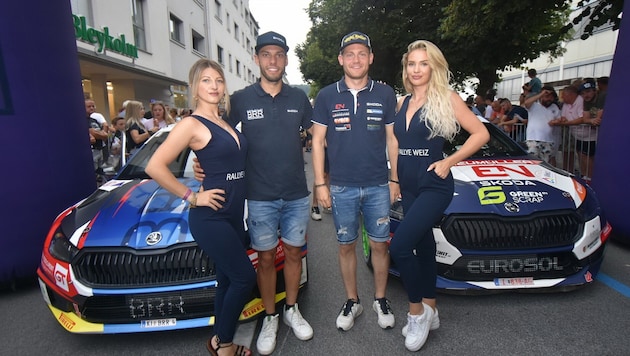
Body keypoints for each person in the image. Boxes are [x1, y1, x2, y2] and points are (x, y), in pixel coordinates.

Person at [194, 31, 314, 355]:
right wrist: (200, 163)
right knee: (263, 259)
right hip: (258, 196)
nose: (272, 60)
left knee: (292, 254)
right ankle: (271, 317)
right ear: (256, 59)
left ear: (286, 59)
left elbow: (319, 136)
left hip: (296, 194)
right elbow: (215, 136)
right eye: (266, 54)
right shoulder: (241, 100)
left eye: (278, 54)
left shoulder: (300, 100)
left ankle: (291, 309)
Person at [146, 59, 256, 356]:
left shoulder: (224, 121)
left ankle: (219, 342)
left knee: (226, 279)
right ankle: (225, 342)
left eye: (219, 80)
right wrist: (192, 196)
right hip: (210, 216)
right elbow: (155, 166)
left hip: (233, 213)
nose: (214, 86)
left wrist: (203, 165)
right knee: (245, 278)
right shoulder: (190, 124)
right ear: (194, 87)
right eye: (206, 80)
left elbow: (222, 160)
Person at [388, 40, 489, 352]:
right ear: (405, 69)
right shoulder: (401, 101)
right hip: (409, 183)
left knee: (401, 246)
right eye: (411, 64)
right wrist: (394, 178)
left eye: (423, 63)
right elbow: (394, 140)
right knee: (423, 245)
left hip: (434, 183)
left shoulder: (446, 98)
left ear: (434, 67)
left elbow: (481, 133)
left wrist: (449, 161)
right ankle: (432, 308)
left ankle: (417, 311)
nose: (416, 69)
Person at [311, 31, 397, 332]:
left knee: (380, 245)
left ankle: (380, 299)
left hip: (377, 185)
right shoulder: (326, 95)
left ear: (370, 58)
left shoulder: (386, 94)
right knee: (345, 246)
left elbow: (392, 138)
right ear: (341, 60)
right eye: (350, 54)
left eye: (362, 53)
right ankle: (352, 300)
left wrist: (394, 179)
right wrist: (320, 184)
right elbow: (318, 140)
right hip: (342, 187)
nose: (356, 59)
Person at [522, 85, 561, 163]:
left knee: (546, 163)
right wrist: (541, 94)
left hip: (548, 140)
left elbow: (559, 119)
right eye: (547, 96)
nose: (549, 99)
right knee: (532, 162)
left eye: (551, 97)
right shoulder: (534, 105)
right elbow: (526, 103)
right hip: (533, 140)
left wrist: (556, 122)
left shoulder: (554, 107)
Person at [86, 99, 109, 173]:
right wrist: (98, 134)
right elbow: (93, 132)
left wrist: (99, 134)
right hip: (92, 150)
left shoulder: (94, 120)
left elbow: (105, 134)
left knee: (100, 171)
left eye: (93, 106)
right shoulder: (83, 120)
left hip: (100, 149)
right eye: (89, 106)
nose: (92, 108)